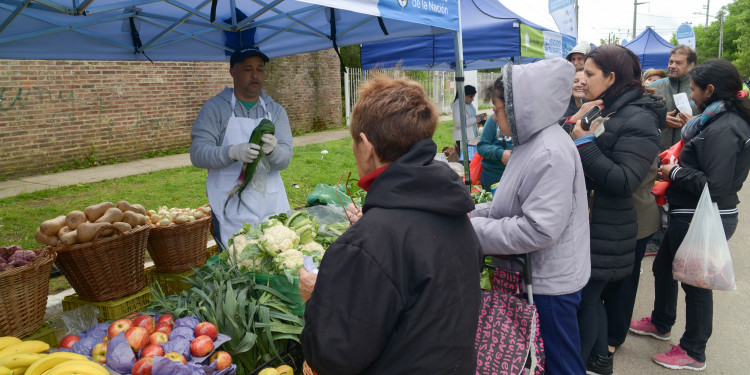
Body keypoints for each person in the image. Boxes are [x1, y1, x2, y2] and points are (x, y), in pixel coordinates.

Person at [300, 75, 483, 374]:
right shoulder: (455, 215)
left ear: (366, 146)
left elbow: (332, 356)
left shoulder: (366, 244)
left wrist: (318, 299)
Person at [470, 58, 591, 375]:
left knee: (560, 364)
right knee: (540, 360)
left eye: (496, 110)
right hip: (535, 277)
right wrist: (467, 213)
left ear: (518, 108)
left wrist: (472, 230)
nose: (493, 119)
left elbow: (538, 229)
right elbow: (508, 204)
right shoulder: (531, 143)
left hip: (549, 285)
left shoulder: (549, 151)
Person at [630, 59, 750, 372]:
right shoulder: (713, 118)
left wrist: (675, 170)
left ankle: (694, 351)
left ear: (710, 90)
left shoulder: (725, 128)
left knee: (696, 285)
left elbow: (715, 184)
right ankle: (661, 322)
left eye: (695, 89)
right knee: (663, 267)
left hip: (704, 215)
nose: (691, 95)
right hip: (688, 213)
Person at [569, 44, 662, 375]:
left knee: (588, 298)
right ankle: (600, 361)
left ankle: (581, 364)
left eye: (590, 74)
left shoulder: (639, 119)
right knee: (590, 297)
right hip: (593, 223)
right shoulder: (603, 109)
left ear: (611, 77)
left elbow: (625, 181)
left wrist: (584, 143)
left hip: (608, 227)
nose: (582, 79)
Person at [189, 47, 293, 249]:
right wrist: (231, 152)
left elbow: (285, 159)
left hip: (270, 204)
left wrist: (273, 151)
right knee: (235, 266)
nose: (255, 75)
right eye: (247, 69)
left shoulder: (275, 111)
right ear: (232, 71)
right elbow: (198, 153)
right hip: (230, 207)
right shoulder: (215, 109)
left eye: (260, 69)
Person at [646, 46, 698, 257]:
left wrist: (693, 123)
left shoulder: (699, 90)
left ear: (691, 65)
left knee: (680, 197)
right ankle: (656, 238)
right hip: (659, 151)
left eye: (678, 62)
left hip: (687, 156)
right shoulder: (656, 87)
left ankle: (680, 237)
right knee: (655, 194)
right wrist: (662, 119)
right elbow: (642, 115)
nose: (672, 66)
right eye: (671, 61)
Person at [476, 84, 514, 191]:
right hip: (492, 177)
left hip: (514, 177)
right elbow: (482, 146)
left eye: (497, 109)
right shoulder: (492, 121)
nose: (494, 116)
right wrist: (500, 153)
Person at [452, 84, 486, 149]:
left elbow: (470, 117)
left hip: (470, 137)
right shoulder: (457, 105)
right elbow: (458, 123)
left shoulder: (467, 103)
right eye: (471, 97)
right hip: (463, 138)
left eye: (473, 97)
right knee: (466, 158)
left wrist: (480, 117)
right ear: (463, 95)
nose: (472, 99)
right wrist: (475, 119)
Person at [560, 66, 587, 133]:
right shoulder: (561, 108)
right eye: (575, 81)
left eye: (584, 82)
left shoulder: (596, 109)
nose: (579, 84)